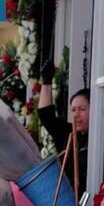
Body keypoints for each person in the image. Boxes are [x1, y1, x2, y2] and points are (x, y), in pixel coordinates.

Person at [38, 60, 89, 192]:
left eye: (82, 109)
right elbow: (46, 116)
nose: (76, 115)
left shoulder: (99, 139)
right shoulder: (68, 133)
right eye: (73, 110)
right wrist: (47, 81)